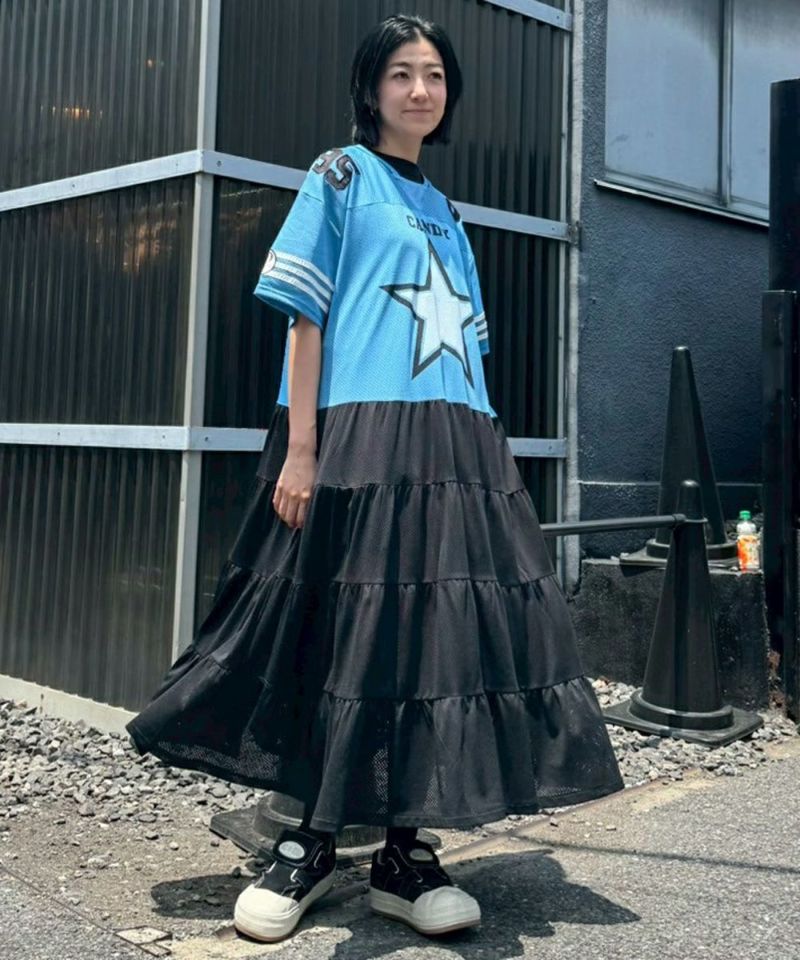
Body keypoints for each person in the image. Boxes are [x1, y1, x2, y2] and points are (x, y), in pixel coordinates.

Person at [125, 13, 624, 945]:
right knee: (341, 629)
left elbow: (467, 352)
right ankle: (309, 843)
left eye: (434, 74)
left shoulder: (449, 213)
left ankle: (405, 852)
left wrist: (488, 460)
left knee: (436, 642)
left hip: (454, 450)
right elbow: (304, 318)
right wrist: (302, 448)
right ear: (370, 87)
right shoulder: (340, 176)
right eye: (401, 73)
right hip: (359, 436)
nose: (420, 90)